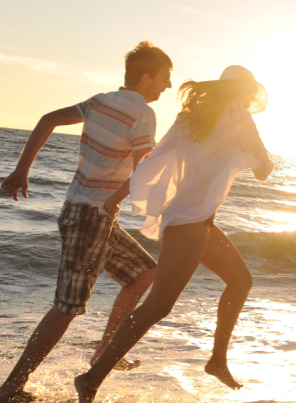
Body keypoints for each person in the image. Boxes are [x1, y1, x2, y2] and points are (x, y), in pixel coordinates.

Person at [74, 66, 275, 403]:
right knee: (158, 306)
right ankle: (91, 379)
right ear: (243, 91)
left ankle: (217, 360)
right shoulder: (240, 117)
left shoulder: (188, 118)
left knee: (240, 280)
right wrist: (257, 159)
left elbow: (152, 159)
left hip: (190, 219)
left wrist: (116, 196)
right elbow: (263, 172)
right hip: (191, 222)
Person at [0, 42, 172, 403]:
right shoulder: (142, 113)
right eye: (164, 78)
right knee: (67, 307)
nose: (167, 86)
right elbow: (145, 170)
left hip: (86, 213)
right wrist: (117, 198)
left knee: (144, 273)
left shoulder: (100, 100)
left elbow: (47, 119)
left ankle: (104, 353)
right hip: (92, 215)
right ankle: (11, 387)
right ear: (145, 76)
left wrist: (22, 169)